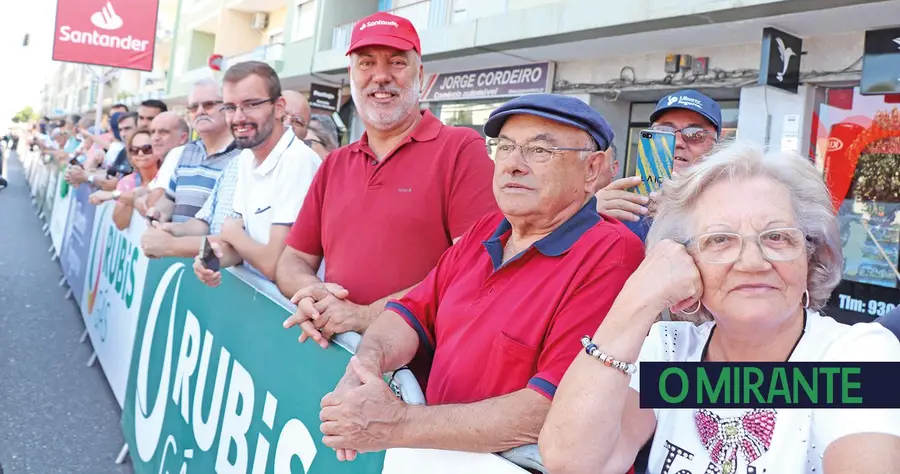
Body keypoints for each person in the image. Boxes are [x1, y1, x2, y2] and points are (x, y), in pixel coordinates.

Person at [313, 94, 643, 462]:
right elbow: (409, 313)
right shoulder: (487, 230)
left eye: (539, 151)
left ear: (593, 170)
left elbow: (552, 407)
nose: (513, 165)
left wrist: (397, 424)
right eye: (504, 147)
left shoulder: (611, 254)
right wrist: (364, 368)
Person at [539, 142, 900, 474]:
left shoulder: (857, 355)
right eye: (720, 240)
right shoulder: (670, 353)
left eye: (777, 236)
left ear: (810, 255)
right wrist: (637, 299)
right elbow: (573, 464)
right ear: (684, 260)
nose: (753, 262)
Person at [277, 11, 497, 349]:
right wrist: (313, 295)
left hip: (418, 377)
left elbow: (474, 268)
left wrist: (365, 315)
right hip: (338, 357)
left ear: (419, 75)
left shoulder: (461, 150)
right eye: (366, 63)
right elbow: (293, 260)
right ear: (351, 75)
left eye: (396, 62)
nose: (380, 76)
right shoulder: (335, 163)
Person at [192, 62, 321, 285]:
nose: (238, 117)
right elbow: (239, 248)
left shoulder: (298, 161)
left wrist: (233, 235)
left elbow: (277, 266)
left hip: (293, 312)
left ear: (279, 107)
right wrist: (211, 260)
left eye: (251, 104)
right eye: (230, 107)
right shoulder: (246, 157)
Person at [596, 89, 721, 241]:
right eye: (664, 131)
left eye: (695, 134)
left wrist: (681, 218)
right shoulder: (624, 208)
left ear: (716, 147)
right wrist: (586, 217)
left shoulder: (733, 206)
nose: (678, 142)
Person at [142, 80, 238, 258]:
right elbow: (169, 198)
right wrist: (159, 213)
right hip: (178, 258)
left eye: (208, 105)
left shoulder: (241, 157)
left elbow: (223, 228)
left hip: (216, 265)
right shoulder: (187, 151)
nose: (200, 111)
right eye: (194, 107)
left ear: (227, 107)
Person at [88, 129, 160, 230]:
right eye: (134, 150)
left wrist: (114, 195)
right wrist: (131, 198)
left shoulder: (166, 175)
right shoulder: (128, 181)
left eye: (147, 149)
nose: (140, 153)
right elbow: (120, 224)